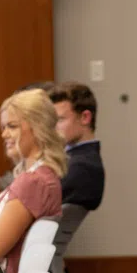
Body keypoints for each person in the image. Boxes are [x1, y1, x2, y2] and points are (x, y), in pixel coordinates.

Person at [0, 89, 66, 273]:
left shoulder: (33, 183)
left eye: (12, 126)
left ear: (38, 128)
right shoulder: (37, 176)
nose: (4, 134)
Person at [49, 81, 105, 210]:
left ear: (85, 117)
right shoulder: (74, 160)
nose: (53, 128)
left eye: (60, 120)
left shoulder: (81, 167)